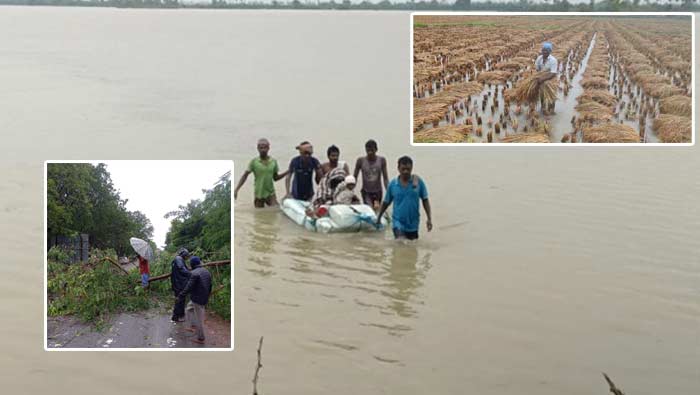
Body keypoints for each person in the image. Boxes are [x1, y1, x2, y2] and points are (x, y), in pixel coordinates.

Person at [376, 156, 433, 240]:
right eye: (403, 169)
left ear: (412, 168)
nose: (406, 171)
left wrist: (429, 218)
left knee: (411, 248)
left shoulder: (418, 182)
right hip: (398, 222)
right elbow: (386, 202)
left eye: (408, 169)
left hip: (413, 224)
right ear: (398, 168)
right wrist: (379, 217)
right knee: (400, 242)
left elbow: (425, 200)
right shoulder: (393, 184)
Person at [234, 138, 288, 207]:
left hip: (270, 193)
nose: (263, 150)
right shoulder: (254, 162)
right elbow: (245, 176)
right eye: (261, 148)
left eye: (265, 147)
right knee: (258, 215)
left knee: (276, 210)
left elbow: (275, 178)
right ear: (258, 149)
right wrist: (236, 190)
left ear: (268, 148)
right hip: (259, 194)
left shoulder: (273, 162)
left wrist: (287, 172)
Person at [177, 256, 212, 345]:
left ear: (192, 264)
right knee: (188, 309)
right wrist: (208, 295)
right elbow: (210, 286)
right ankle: (193, 325)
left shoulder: (194, 273)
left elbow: (189, 286)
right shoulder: (206, 271)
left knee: (200, 319)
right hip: (200, 297)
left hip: (198, 299)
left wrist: (181, 295)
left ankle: (201, 338)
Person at [353, 139, 388, 210]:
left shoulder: (381, 160)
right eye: (368, 150)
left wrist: (389, 191)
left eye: (372, 150)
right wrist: (351, 191)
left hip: (378, 191)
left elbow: (385, 178)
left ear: (376, 149)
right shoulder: (360, 161)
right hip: (366, 191)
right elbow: (355, 177)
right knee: (369, 209)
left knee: (376, 209)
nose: (370, 153)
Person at [534, 42, 558, 114]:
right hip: (541, 78)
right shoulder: (539, 58)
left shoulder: (553, 60)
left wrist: (543, 79)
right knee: (542, 94)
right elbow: (537, 68)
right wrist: (539, 76)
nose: (544, 52)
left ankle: (552, 110)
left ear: (550, 51)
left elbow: (553, 73)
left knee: (551, 95)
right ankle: (543, 108)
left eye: (547, 50)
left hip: (551, 79)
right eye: (543, 50)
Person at [170, 248, 191, 322]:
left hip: (178, 283)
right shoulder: (178, 259)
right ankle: (175, 317)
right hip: (179, 284)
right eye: (186, 255)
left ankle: (181, 315)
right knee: (179, 300)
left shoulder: (177, 259)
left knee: (181, 300)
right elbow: (181, 269)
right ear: (183, 254)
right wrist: (190, 274)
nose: (186, 257)